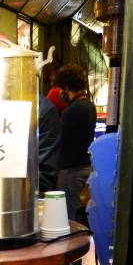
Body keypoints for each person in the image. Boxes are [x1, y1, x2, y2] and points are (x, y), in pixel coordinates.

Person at [55, 64, 97, 223]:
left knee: (69, 219)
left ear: (66, 86)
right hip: (83, 167)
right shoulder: (88, 106)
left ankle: (72, 247)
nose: (60, 93)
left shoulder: (73, 110)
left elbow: (60, 139)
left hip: (71, 171)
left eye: (61, 88)